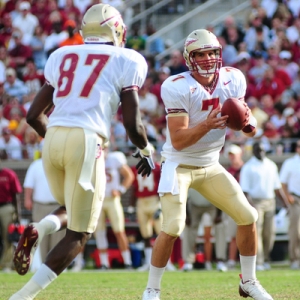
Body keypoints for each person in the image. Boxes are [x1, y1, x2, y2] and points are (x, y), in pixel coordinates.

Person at [10, 4, 154, 299]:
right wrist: (147, 149)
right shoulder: (128, 58)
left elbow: (33, 115)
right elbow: (132, 122)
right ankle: (21, 297)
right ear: (116, 30)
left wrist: (57, 139)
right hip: (87, 139)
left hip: (52, 137)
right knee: (80, 232)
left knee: (70, 210)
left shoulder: (62, 53)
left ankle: (39, 228)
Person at [142, 29, 274, 300]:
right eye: (200, 54)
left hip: (210, 163)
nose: (208, 59)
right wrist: (206, 124)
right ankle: (152, 289)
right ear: (189, 58)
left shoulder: (233, 77)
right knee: (173, 227)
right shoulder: (176, 85)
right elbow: (178, 141)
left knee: (248, 216)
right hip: (179, 164)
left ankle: (248, 281)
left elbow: (248, 129)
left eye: (212, 52)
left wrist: (249, 122)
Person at [239, 142, 289, 271]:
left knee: (269, 232)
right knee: (257, 232)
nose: (260, 153)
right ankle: (259, 261)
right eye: (258, 150)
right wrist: (252, 206)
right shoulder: (248, 167)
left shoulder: (271, 165)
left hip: (270, 201)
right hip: (255, 202)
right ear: (254, 151)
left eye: (262, 150)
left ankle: (266, 258)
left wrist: (285, 202)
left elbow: (277, 187)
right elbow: (245, 191)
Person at [130, 146, 175, 272]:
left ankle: (168, 262)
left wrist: (162, 205)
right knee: (145, 234)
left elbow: (164, 186)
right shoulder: (136, 169)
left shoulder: (158, 168)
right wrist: (131, 206)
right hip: (141, 202)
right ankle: (148, 262)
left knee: (162, 233)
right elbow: (134, 188)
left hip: (154, 202)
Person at [92, 146, 134, 270]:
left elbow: (129, 176)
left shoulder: (115, 158)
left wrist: (120, 189)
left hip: (112, 200)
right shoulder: (92, 160)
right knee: (99, 232)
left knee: (119, 231)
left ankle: (127, 262)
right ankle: (104, 263)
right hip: (97, 201)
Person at [23, 152, 66, 267]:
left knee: (58, 237)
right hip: (40, 205)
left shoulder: (60, 164)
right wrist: (27, 199)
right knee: (41, 237)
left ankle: (56, 265)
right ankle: (43, 265)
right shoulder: (35, 165)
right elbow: (28, 185)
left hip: (57, 205)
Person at [181, 188, 228, 272]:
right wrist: (187, 215)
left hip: (212, 203)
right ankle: (188, 262)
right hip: (194, 204)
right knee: (189, 227)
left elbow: (219, 194)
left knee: (220, 226)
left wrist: (219, 214)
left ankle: (220, 261)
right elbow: (184, 196)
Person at [279, 139, 300, 270]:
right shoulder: (290, 163)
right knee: (295, 231)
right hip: (295, 199)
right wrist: (288, 197)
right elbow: (283, 183)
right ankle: (294, 258)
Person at [0, 160, 22, 272]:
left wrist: (18, 215)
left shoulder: (9, 174)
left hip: (6, 207)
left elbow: (16, 195)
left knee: (7, 237)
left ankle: (6, 264)